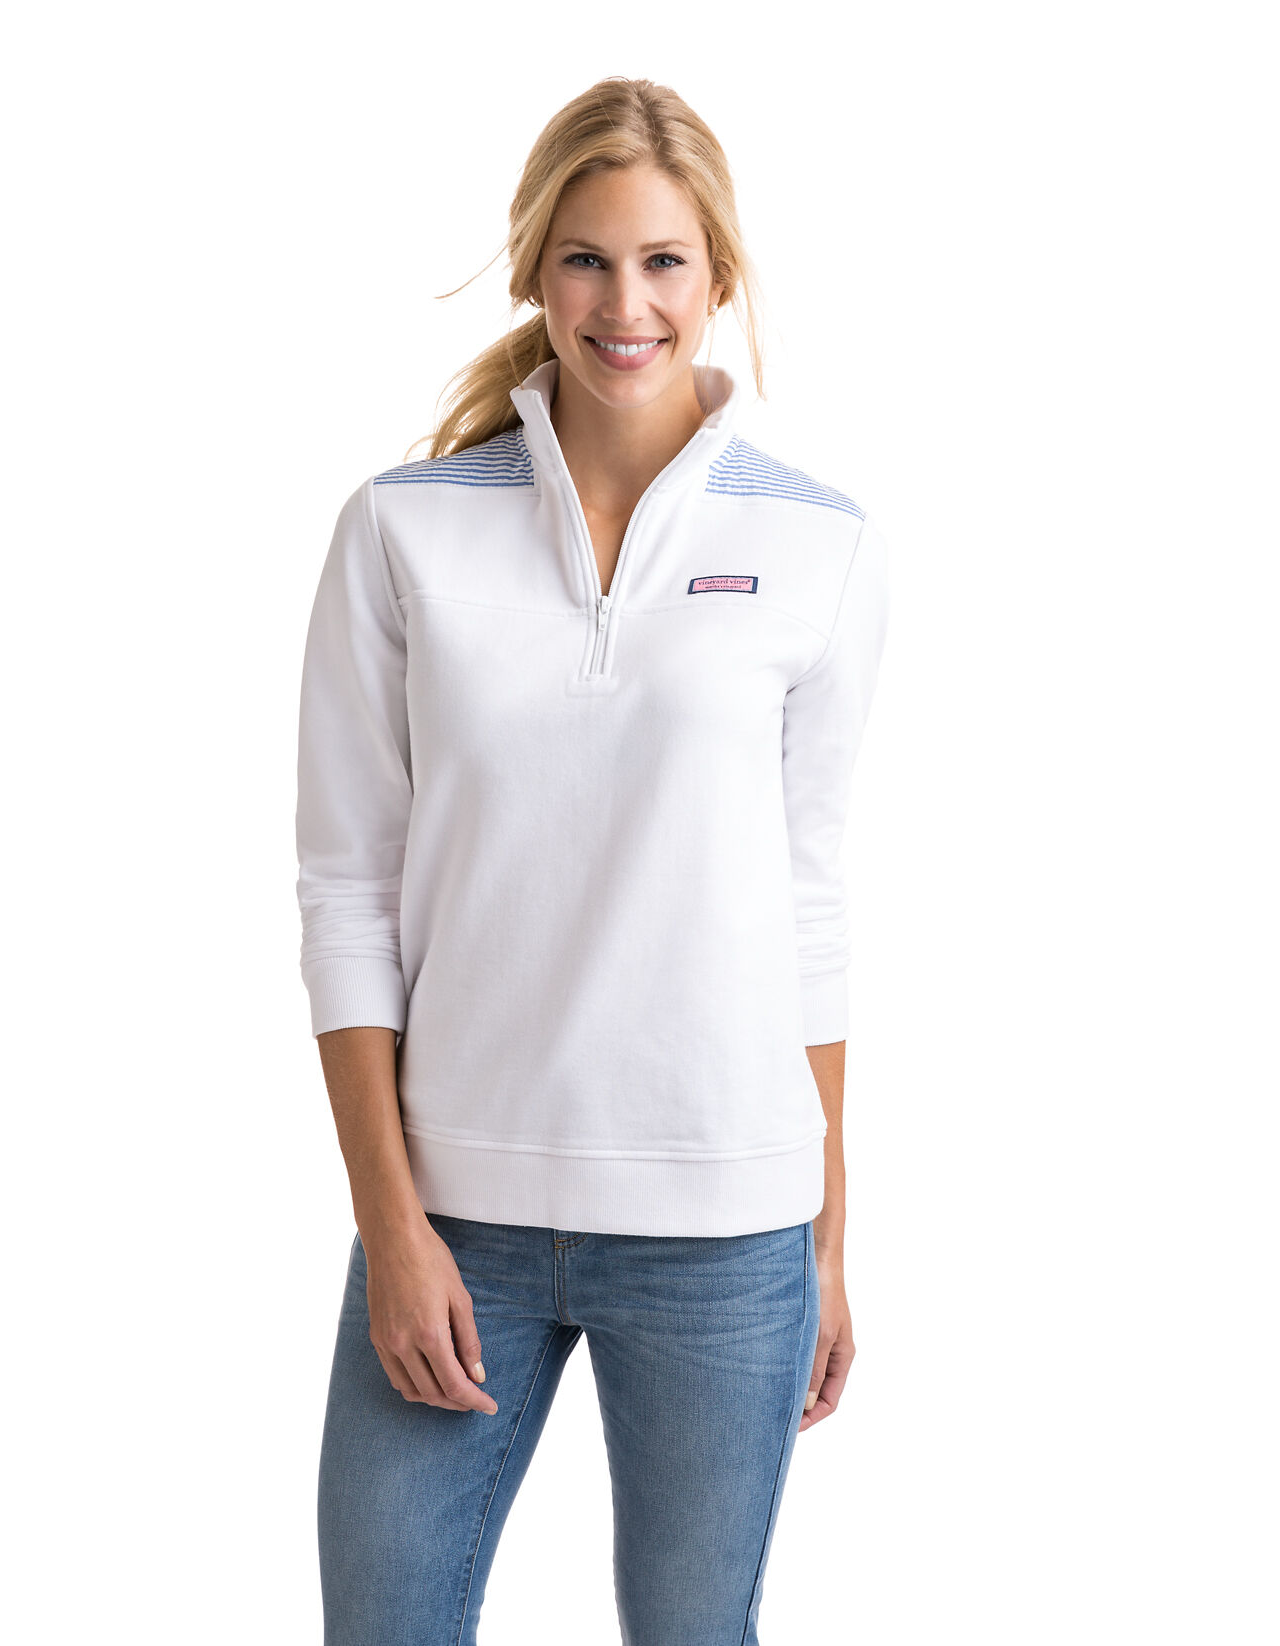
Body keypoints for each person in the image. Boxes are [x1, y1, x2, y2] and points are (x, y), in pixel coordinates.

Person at [294, 75, 891, 1646]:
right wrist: (392, 1223)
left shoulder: (819, 546)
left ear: (719, 275)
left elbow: (809, 902)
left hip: (728, 1227)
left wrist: (829, 1234)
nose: (625, 305)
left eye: (663, 261)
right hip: (456, 1216)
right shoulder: (402, 531)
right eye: (585, 259)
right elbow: (346, 891)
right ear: (533, 271)